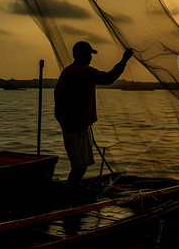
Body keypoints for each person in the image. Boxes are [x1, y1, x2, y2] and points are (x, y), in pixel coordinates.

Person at [55, 41, 134, 187]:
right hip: (75, 126)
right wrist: (125, 59)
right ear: (81, 55)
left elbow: (57, 99)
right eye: (89, 54)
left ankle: (73, 190)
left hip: (71, 125)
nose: (91, 57)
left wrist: (62, 120)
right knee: (79, 166)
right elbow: (109, 78)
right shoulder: (83, 71)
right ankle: (71, 194)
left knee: (80, 164)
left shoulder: (68, 71)